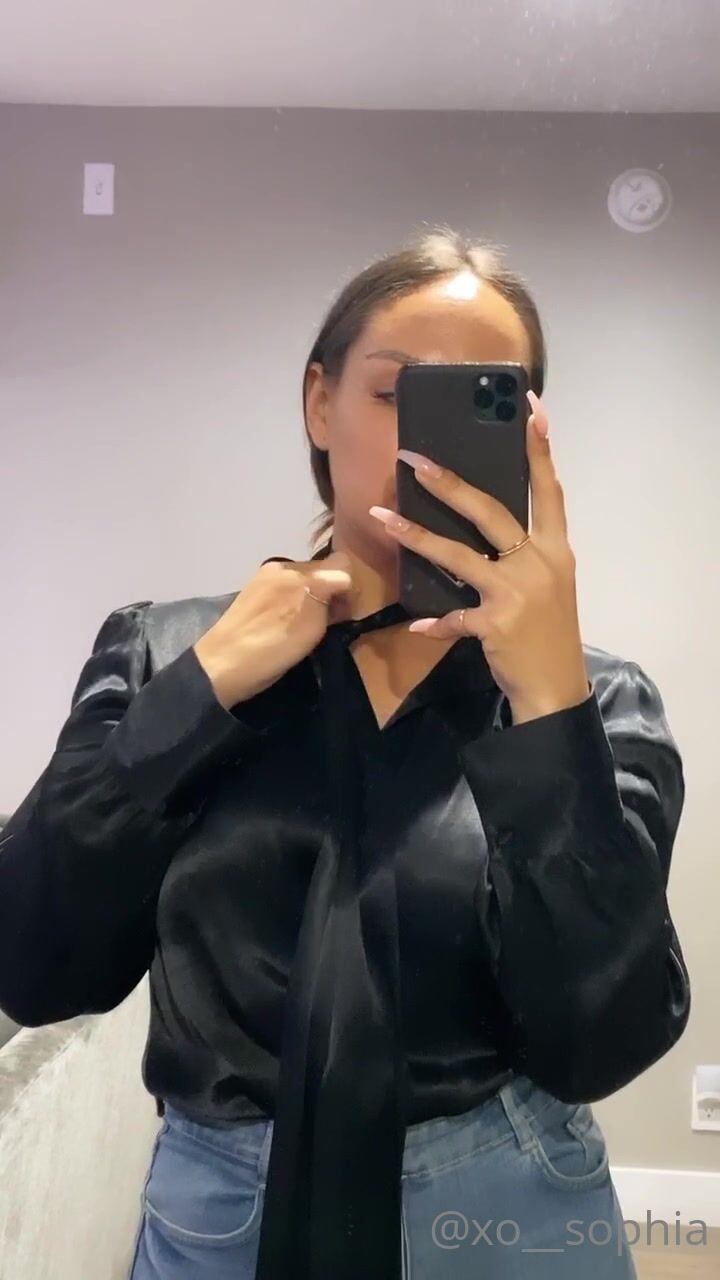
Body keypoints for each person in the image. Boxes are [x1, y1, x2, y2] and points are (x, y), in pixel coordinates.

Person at [0, 227, 690, 1280]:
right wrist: (197, 694)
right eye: (395, 391)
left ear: (531, 433)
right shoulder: (166, 651)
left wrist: (549, 706)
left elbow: (600, 1038)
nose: (427, 445)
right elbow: (34, 960)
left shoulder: (596, 698)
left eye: (483, 399)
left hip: (508, 1202)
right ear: (319, 403)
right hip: (227, 1208)